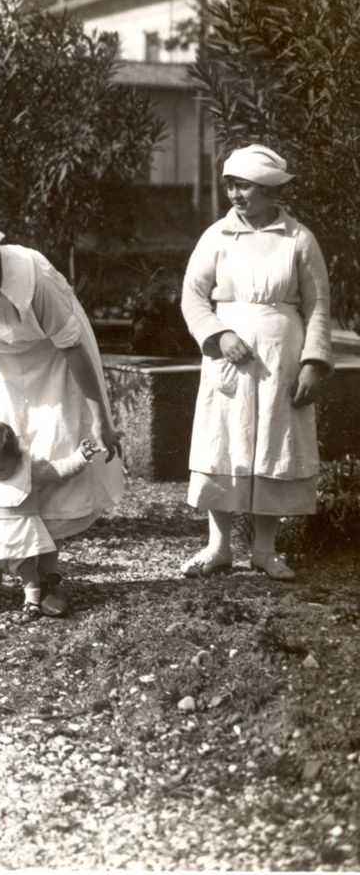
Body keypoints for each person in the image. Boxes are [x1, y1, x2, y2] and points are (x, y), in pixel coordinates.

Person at [0, 204, 124, 615]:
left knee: (52, 460)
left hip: (54, 362)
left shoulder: (32, 276)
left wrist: (101, 417)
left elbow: (73, 348)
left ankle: (49, 578)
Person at [179, 144, 331, 582]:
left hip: (282, 359)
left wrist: (313, 362)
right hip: (229, 358)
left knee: (275, 445)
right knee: (224, 440)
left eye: (243, 185)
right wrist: (219, 334)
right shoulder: (216, 237)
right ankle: (218, 547)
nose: (235, 194)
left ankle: (265, 550)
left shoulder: (298, 238)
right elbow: (192, 295)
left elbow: (319, 304)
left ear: (269, 189)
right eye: (230, 184)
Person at [0, 422, 102, 623]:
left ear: (15, 456)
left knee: (28, 570)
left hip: (20, 532)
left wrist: (81, 456)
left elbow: (58, 471)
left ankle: (32, 602)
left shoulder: (28, 468)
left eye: (0, 468)